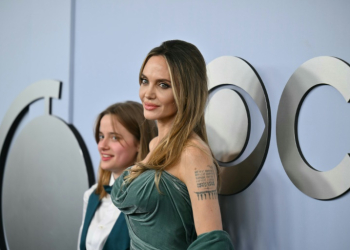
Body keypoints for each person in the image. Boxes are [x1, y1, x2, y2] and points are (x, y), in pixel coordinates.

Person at [111, 40, 234, 249]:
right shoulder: (154, 144)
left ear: (186, 92)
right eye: (144, 80)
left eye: (163, 85)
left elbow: (213, 243)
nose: (147, 93)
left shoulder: (193, 154)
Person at [78, 101, 157, 250]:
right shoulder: (91, 196)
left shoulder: (152, 199)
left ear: (139, 143)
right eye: (101, 136)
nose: (102, 145)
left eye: (114, 137)